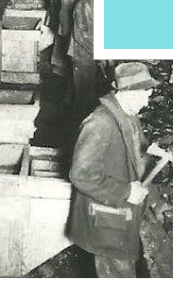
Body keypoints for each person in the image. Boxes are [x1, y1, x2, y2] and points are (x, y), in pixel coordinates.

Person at [68, 61, 158, 277]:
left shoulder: (128, 115)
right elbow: (81, 175)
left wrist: (150, 154)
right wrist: (126, 191)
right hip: (107, 219)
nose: (146, 103)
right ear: (130, 92)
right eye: (145, 96)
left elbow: (131, 154)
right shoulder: (100, 123)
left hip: (121, 213)